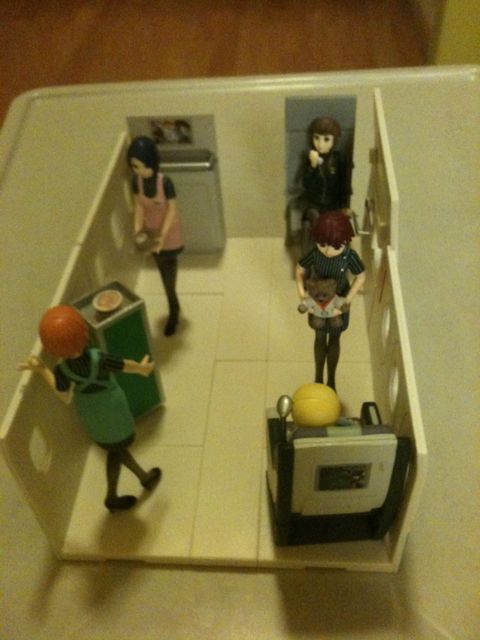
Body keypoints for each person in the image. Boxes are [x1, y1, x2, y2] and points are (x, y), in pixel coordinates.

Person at [17, 305, 161, 513]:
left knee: (115, 450)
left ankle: (142, 479)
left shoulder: (62, 369)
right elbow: (123, 365)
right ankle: (118, 493)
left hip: (91, 414)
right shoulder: (98, 358)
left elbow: (64, 395)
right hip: (112, 407)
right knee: (117, 450)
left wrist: (41, 369)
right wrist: (141, 368)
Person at [295, 211, 365, 390]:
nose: (327, 250)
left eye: (334, 246)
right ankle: (318, 377)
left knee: (335, 337)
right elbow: (299, 269)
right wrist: (302, 295)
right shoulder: (315, 254)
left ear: (344, 242)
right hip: (317, 298)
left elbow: (361, 276)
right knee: (319, 336)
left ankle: (331, 379)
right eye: (322, 244)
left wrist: (347, 300)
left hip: (338, 300)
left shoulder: (349, 256)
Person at [127, 136, 184, 336]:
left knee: (169, 274)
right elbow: (139, 207)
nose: (137, 170)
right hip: (151, 231)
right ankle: (174, 306)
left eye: (139, 166)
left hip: (169, 232)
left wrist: (163, 235)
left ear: (150, 162)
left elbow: (172, 210)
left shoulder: (165, 182)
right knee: (162, 271)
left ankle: (173, 309)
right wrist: (137, 230)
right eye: (134, 167)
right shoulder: (136, 182)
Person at [298, 116, 352, 254]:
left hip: (333, 205)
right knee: (313, 219)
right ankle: (309, 259)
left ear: (334, 140)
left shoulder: (338, 159)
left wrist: (344, 205)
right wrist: (312, 167)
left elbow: (344, 184)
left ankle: (335, 257)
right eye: (316, 138)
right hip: (313, 204)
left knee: (338, 223)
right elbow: (306, 184)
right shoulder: (309, 159)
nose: (320, 144)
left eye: (326, 139)